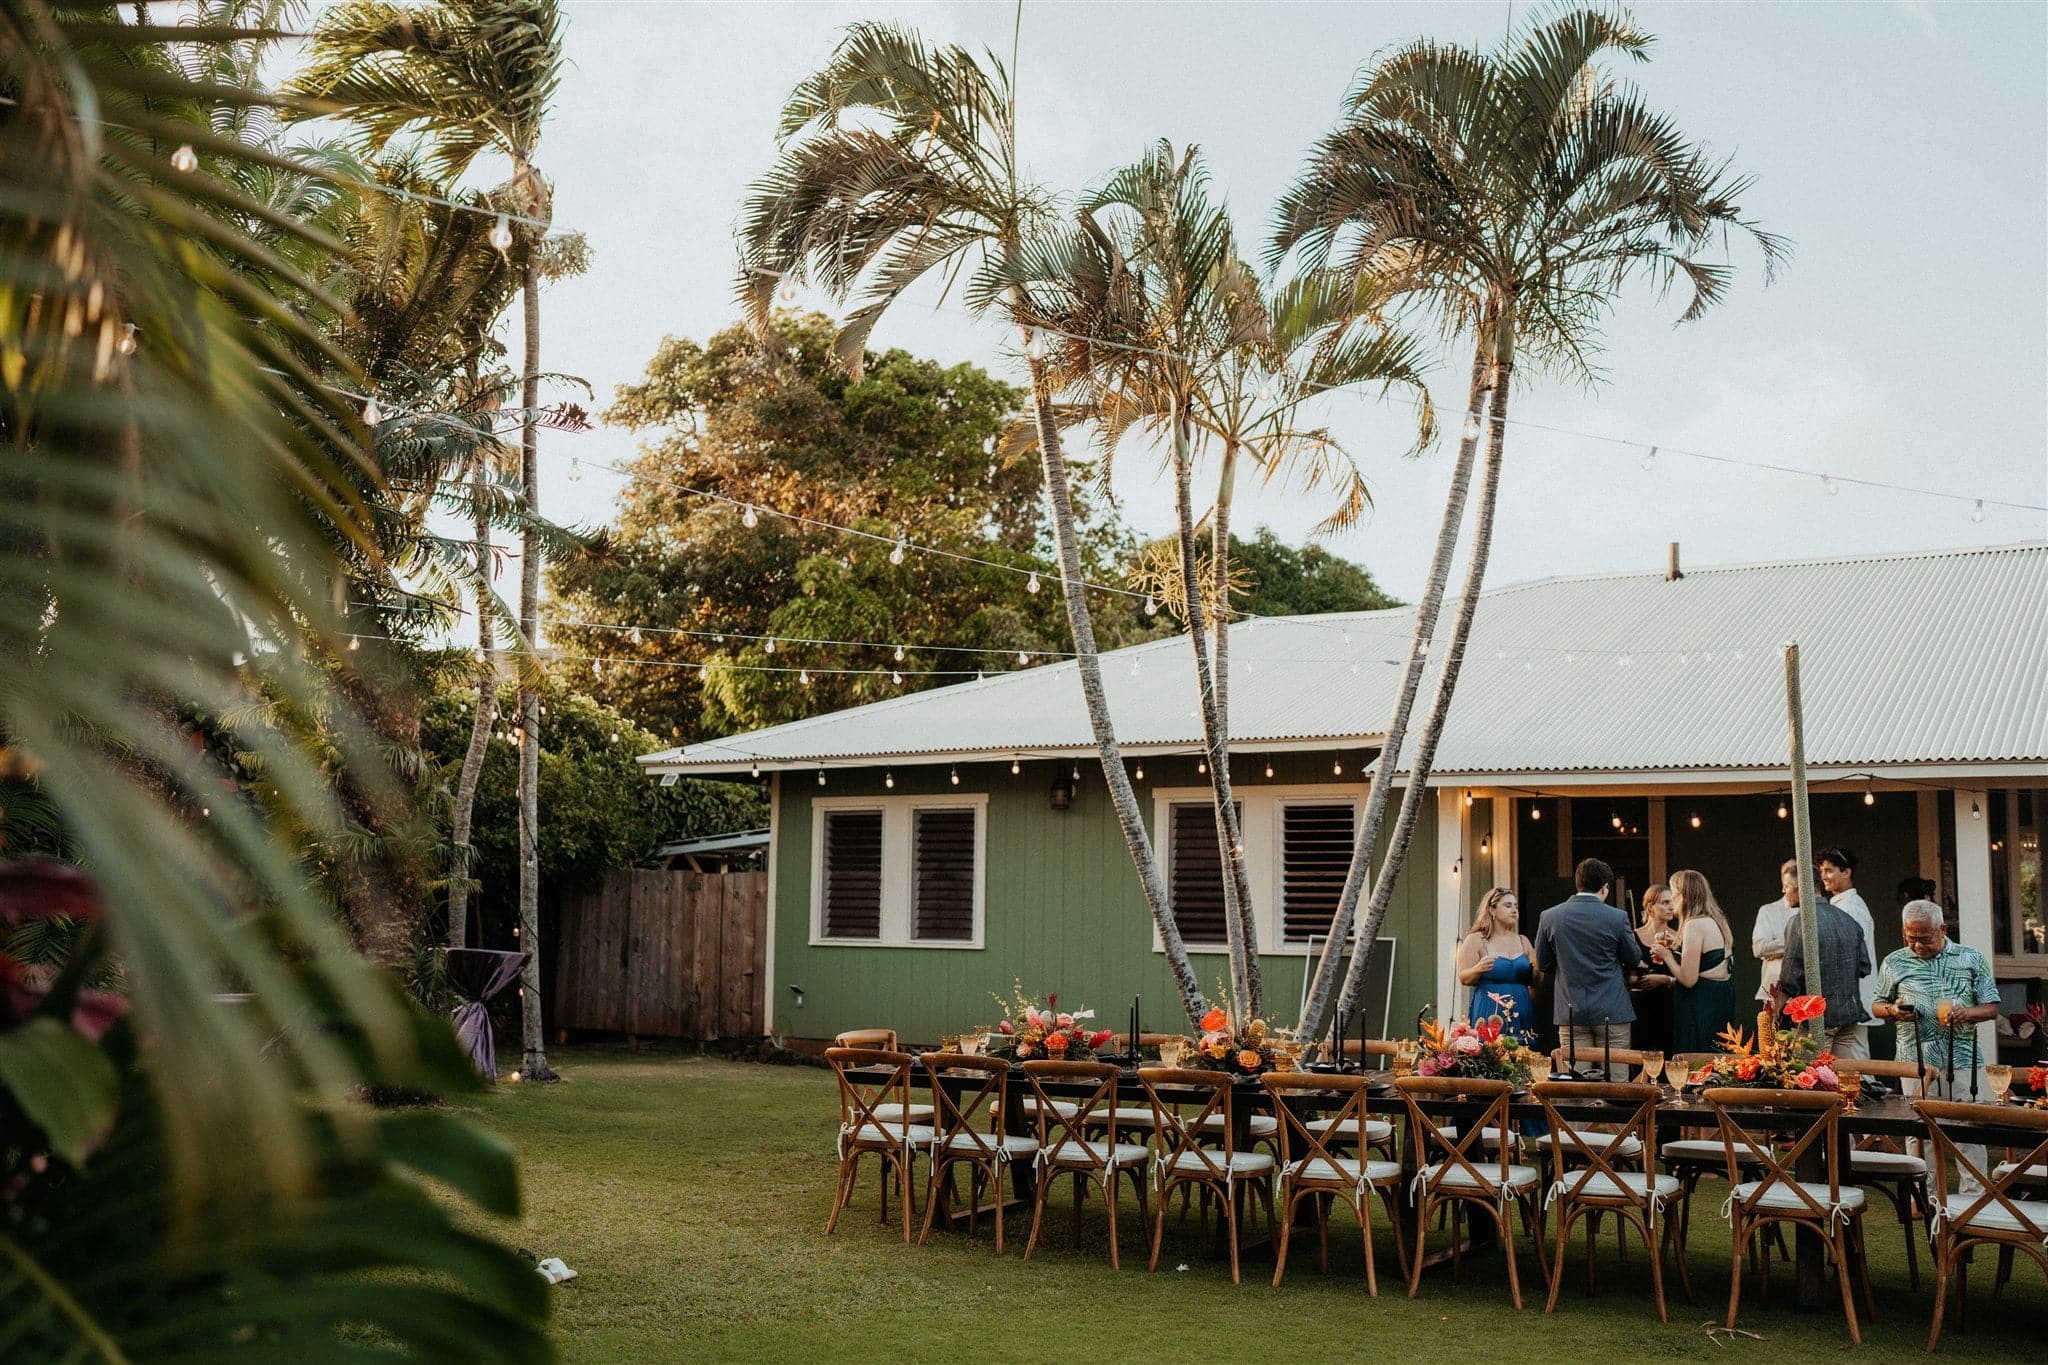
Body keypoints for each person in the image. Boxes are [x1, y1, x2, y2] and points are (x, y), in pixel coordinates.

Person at [1873, 900, 2000, 1193]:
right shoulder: (1894, 961)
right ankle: (1923, 1195)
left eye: (1925, 938)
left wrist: (1966, 1013)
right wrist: (1893, 1011)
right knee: (1919, 1132)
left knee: (1968, 1128)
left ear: (1942, 929)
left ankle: (1973, 1195)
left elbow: (1992, 1007)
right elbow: (1877, 1005)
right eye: (1910, 937)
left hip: (1963, 1057)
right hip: (1914, 1057)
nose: (1917, 945)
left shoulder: (1971, 958)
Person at [1533, 858, 1643, 1078]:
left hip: (1571, 1010)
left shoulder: (1550, 916)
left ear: (1578, 884)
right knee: (1617, 1084)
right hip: (1613, 1010)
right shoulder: (1617, 917)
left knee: (1575, 1086)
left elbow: (1543, 964)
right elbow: (1633, 958)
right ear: (1605, 887)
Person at [1777, 873, 1874, 1059]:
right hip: (1848, 1016)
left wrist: (1775, 1013)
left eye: (1787, 886)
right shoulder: (1848, 920)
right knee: (1839, 1080)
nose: (1784, 892)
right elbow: (1864, 967)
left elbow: (1789, 979)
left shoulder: (1799, 922)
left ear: (1800, 888)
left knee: (1808, 1079)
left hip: (1817, 1017)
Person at [1651, 868, 1738, 1053]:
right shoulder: (1717, 920)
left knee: (1697, 1059)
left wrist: (1666, 955)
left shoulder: (1694, 924)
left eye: (1673, 894)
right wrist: (1675, 948)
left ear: (1683, 896)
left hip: (1701, 1004)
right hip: (1721, 997)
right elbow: (1706, 961)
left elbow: (1689, 980)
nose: (1672, 900)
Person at [1457, 887, 1540, 1040]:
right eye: (1508, 906)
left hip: (1521, 1009)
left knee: (1523, 1057)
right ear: (1492, 910)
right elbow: (1463, 977)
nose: (1514, 910)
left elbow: (1536, 981)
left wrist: (1537, 968)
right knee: (1492, 1055)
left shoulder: (1523, 941)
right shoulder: (1476, 939)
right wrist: (1478, 969)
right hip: (1490, 1009)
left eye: (1516, 906)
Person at [1818, 846, 1880, 1052]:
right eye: (1821, 871)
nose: (1823, 876)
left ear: (1846, 872)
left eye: (1829, 870)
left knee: (1856, 1063)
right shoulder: (1841, 904)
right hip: (1846, 1000)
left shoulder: (1852, 907)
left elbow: (1849, 956)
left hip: (1853, 999)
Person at [1628, 884, 1677, 1053]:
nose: (1671, 907)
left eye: (1672, 902)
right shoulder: (1633, 936)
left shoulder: (1678, 938)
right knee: (1638, 1057)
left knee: (1669, 1057)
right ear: (1650, 907)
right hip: (1639, 1007)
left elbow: (1690, 976)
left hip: (1669, 1007)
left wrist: (1665, 980)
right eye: (1664, 902)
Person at [1752, 858, 1800, 1005]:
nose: (1791, 875)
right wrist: (1797, 944)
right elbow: (1759, 948)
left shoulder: (1817, 911)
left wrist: (1776, 949)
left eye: (1795, 872)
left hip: (1806, 996)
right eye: (1787, 872)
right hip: (1774, 995)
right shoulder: (1768, 911)